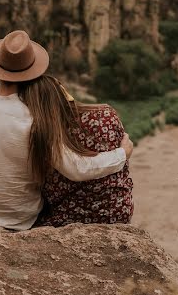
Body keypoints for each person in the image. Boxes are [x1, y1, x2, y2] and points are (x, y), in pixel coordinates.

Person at [0, 30, 134, 231]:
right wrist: (121, 154)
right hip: (20, 219)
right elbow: (76, 169)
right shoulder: (35, 118)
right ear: (33, 71)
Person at [18, 76, 134, 227]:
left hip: (69, 216)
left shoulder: (46, 133)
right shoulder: (106, 113)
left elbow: (77, 168)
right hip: (119, 210)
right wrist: (123, 154)